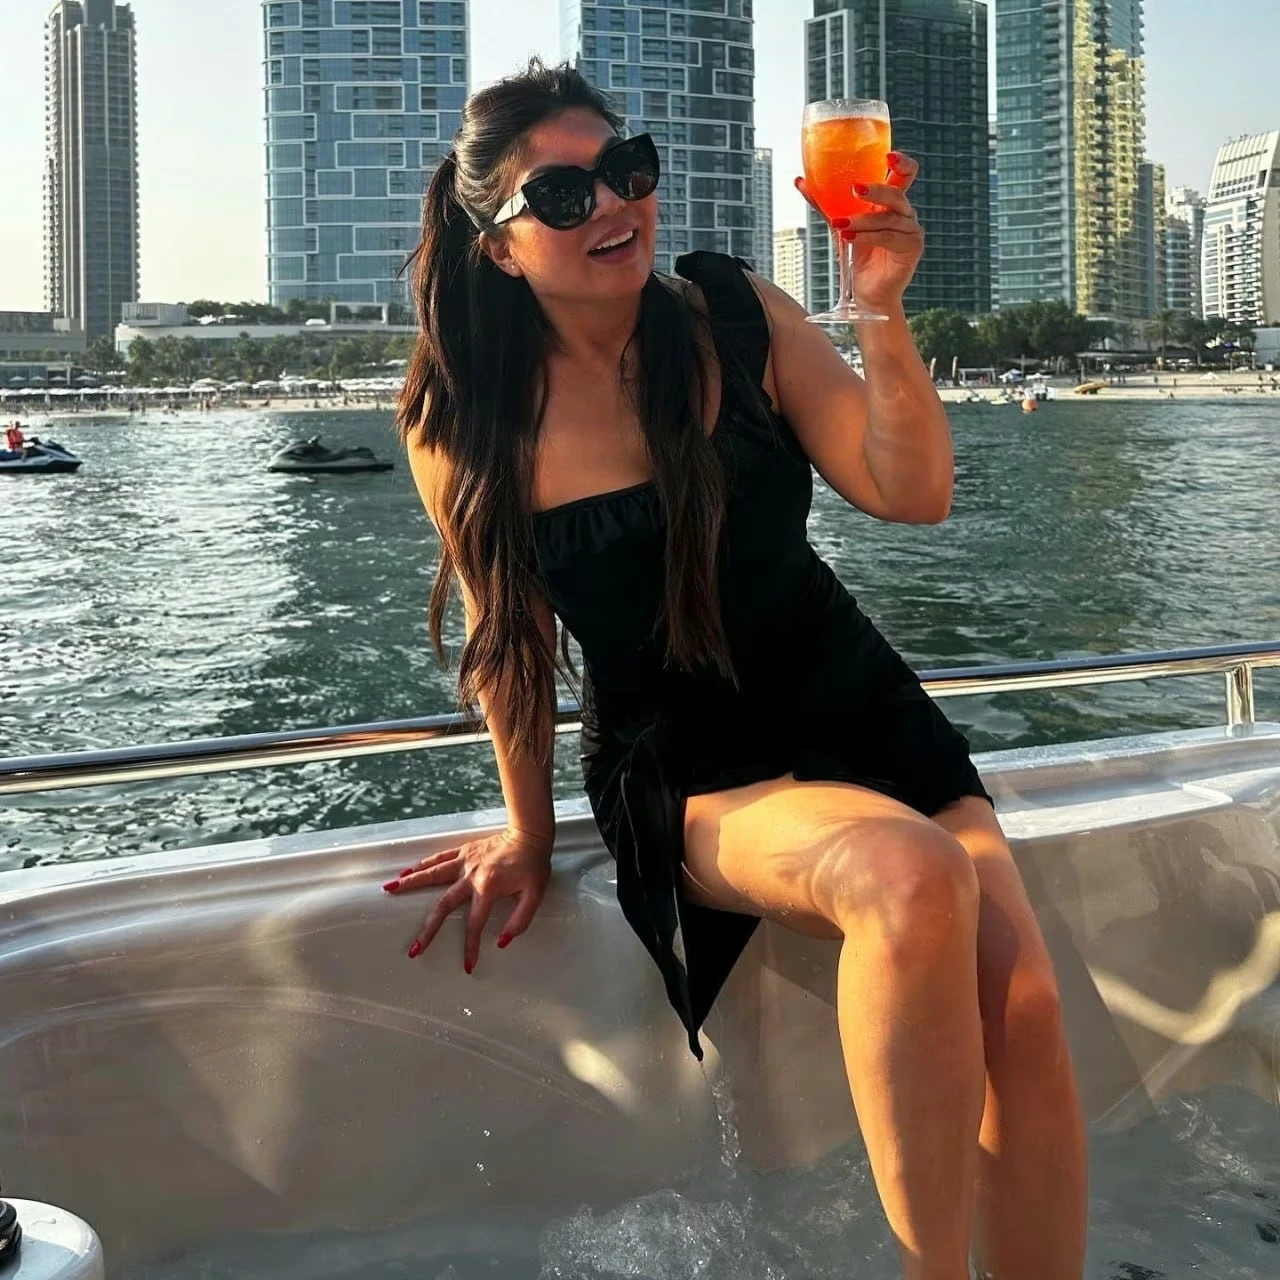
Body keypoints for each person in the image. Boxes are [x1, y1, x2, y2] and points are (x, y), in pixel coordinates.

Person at [386, 60, 1086, 1280]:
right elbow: (509, 646)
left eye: (625, 170)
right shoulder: (465, 420)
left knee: (1020, 1009)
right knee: (908, 874)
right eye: (564, 195)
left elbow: (910, 491)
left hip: (859, 702)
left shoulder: (732, 314)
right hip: (688, 761)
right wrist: (529, 832)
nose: (614, 205)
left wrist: (879, 304)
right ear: (497, 245)